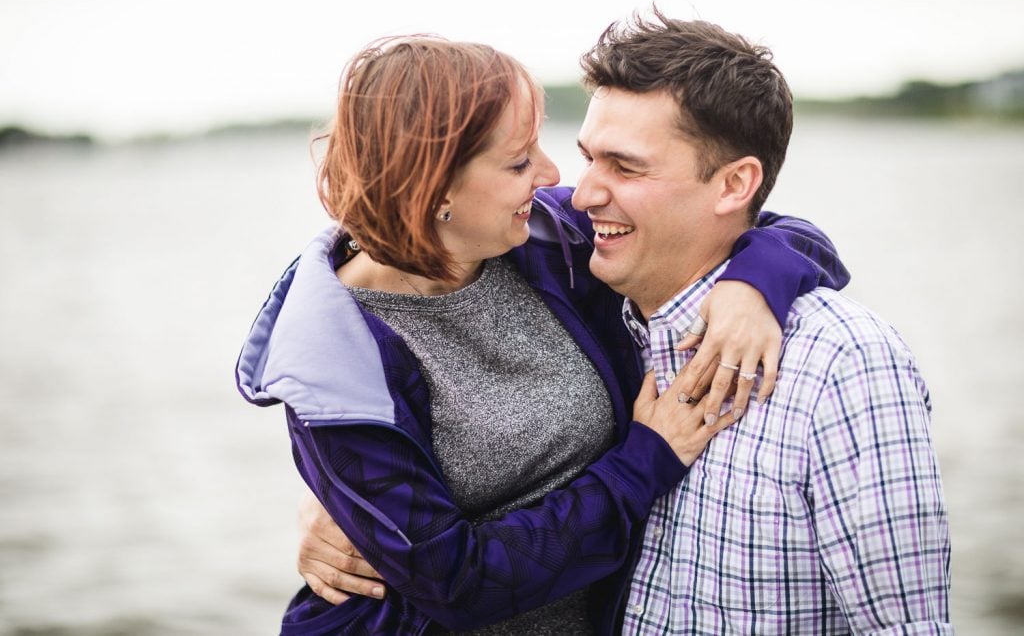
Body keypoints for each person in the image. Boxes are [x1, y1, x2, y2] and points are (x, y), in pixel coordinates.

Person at [236, 35, 849, 634]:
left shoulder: (548, 238)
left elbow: (762, 223)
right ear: (437, 186)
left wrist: (751, 286)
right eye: (519, 160)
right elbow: (459, 585)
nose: (558, 175)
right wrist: (647, 458)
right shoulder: (335, 367)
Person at [564, 12, 950, 633]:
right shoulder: (584, 301)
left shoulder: (842, 364)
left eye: (625, 167)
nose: (583, 194)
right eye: (587, 158)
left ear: (734, 184)